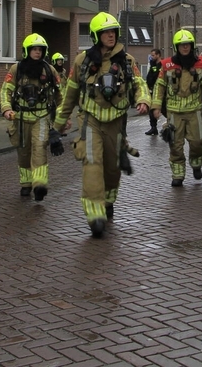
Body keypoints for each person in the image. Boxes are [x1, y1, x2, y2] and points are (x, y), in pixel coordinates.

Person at [54, 12, 150, 237]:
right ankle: (95, 214)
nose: (110, 35)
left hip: (116, 123)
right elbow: (70, 95)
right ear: (96, 35)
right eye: (105, 32)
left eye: (113, 31)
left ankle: (108, 201)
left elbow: (139, 84)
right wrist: (56, 128)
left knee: (112, 168)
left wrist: (144, 100)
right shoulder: (82, 61)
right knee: (92, 163)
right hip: (90, 121)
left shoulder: (127, 61)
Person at [0, 33, 64, 201]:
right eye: (34, 49)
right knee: (23, 152)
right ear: (27, 51)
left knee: (39, 148)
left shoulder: (50, 71)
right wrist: (6, 109)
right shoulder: (17, 70)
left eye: (40, 50)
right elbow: (5, 90)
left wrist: (60, 118)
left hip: (42, 117)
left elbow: (61, 96)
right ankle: (26, 183)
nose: (37, 52)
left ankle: (39, 185)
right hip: (20, 119)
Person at [151, 30, 202, 188]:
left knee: (198, 142)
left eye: (187, 45)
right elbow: (159, 86)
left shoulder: (200, 65)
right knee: (175, 146)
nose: (185, 47)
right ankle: (178, 175)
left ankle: (196, 163)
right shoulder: (166, 65)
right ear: (176, 47)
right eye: (182, 45)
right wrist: (156, 107)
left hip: (194, 111)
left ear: (192, 46)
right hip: (174, 113)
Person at [144, 48, 163, 136]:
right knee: (152, 110)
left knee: (164, 109)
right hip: (152, 90)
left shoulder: (162, 65)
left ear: (158, 55)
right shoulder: (152, 65)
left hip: (161, 91)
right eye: (151, 55)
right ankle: (153, 128)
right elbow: (149, 76)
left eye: (153, 55)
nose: (152, 57)